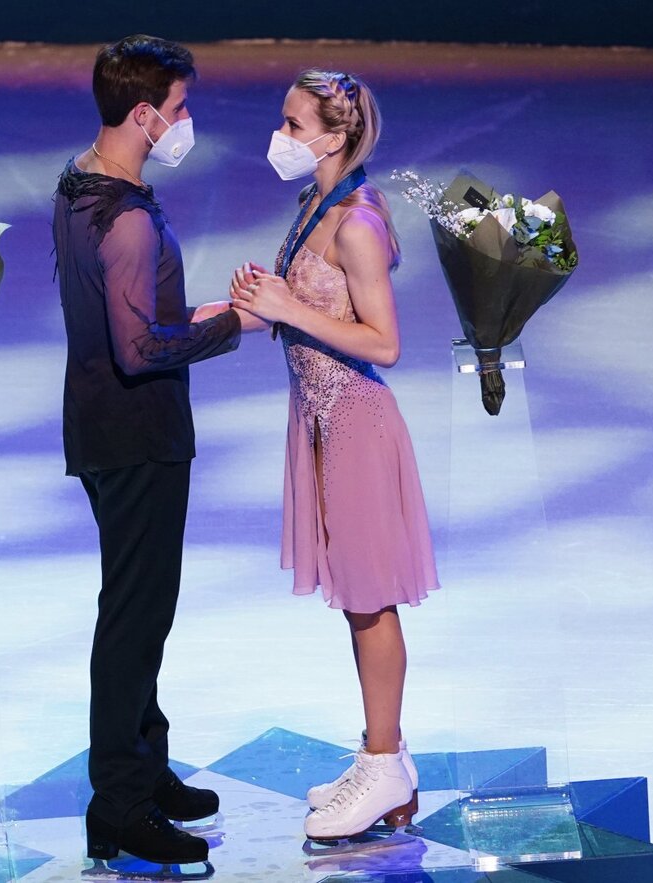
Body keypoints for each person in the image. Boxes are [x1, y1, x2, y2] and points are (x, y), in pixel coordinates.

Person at [52, 34, 266, 865]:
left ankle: (144, 764)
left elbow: (127, 316)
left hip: (99, 426)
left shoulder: (79, 182)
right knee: (136, 617)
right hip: (138, 436)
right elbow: (141, 349)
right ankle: (121, 802)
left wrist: (198, 313)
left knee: (137, 607)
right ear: (143, 114)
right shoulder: (130, 220)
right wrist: (231, 323)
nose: (185, 120)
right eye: (178, 108)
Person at [230, 69, 440, 841]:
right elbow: (293, 309)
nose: (281, 136)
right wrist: (212, 315)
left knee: (370, 599)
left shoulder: (358, 222)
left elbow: (384, 342)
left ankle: (385, 763)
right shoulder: (312, 207)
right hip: (318, 420)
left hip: (355, 420)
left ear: (335, 134)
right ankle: (382, 754)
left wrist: (288, 306)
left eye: (293, 124)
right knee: (356, 598)